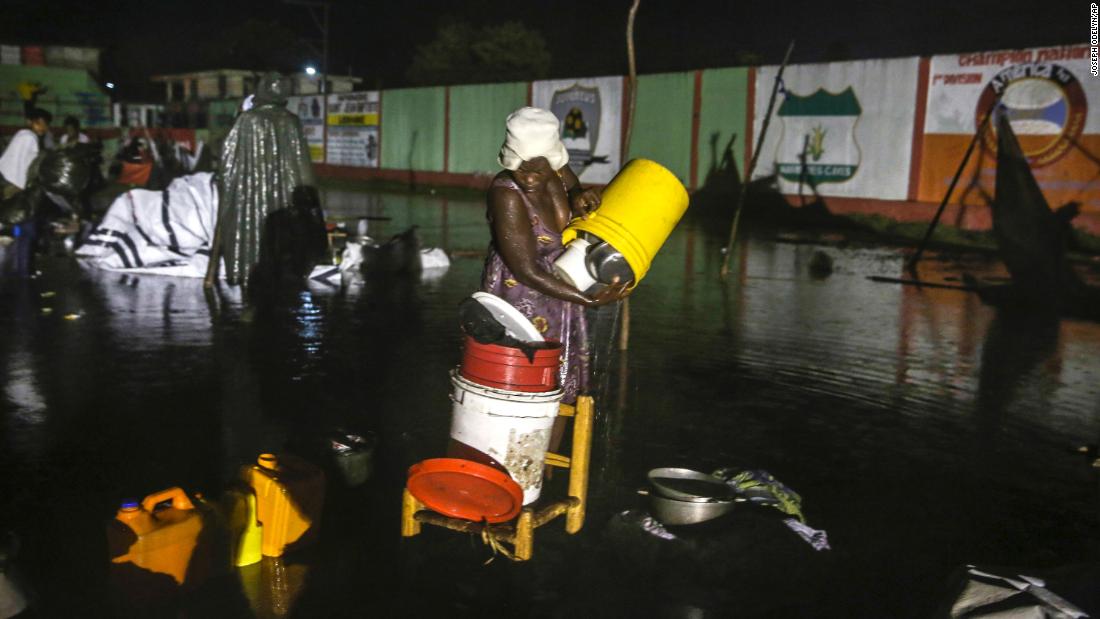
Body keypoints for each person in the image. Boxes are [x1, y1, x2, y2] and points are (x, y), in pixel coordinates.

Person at [482, 107, 629, 403]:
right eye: (521, 167)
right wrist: (587, 299)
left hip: (562, 283)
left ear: (553, 161)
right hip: (522, 292)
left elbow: (572, 186)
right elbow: (526, 271)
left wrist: (578, 195)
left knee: (562, 382)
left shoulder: (558, 171)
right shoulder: (507, 194)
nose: (531, 177)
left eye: (539, 169)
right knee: (526, 380)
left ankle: (553, 442)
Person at [206, 72, 316, 289]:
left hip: (252, 196)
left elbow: (228, 159)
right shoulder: (292, 122)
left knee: (252, 234)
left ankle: (249, 283)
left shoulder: (247, 120)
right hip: (284, 198)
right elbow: (302, 169)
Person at [0, 108, 52, 198]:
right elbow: (26, 165)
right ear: (29, 122)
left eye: (45, 124)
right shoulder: (30, 137)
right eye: (38, 123)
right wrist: (21, 186)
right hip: (10, 180)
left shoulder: (23, 133)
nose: (42, 127)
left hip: (5, 175)